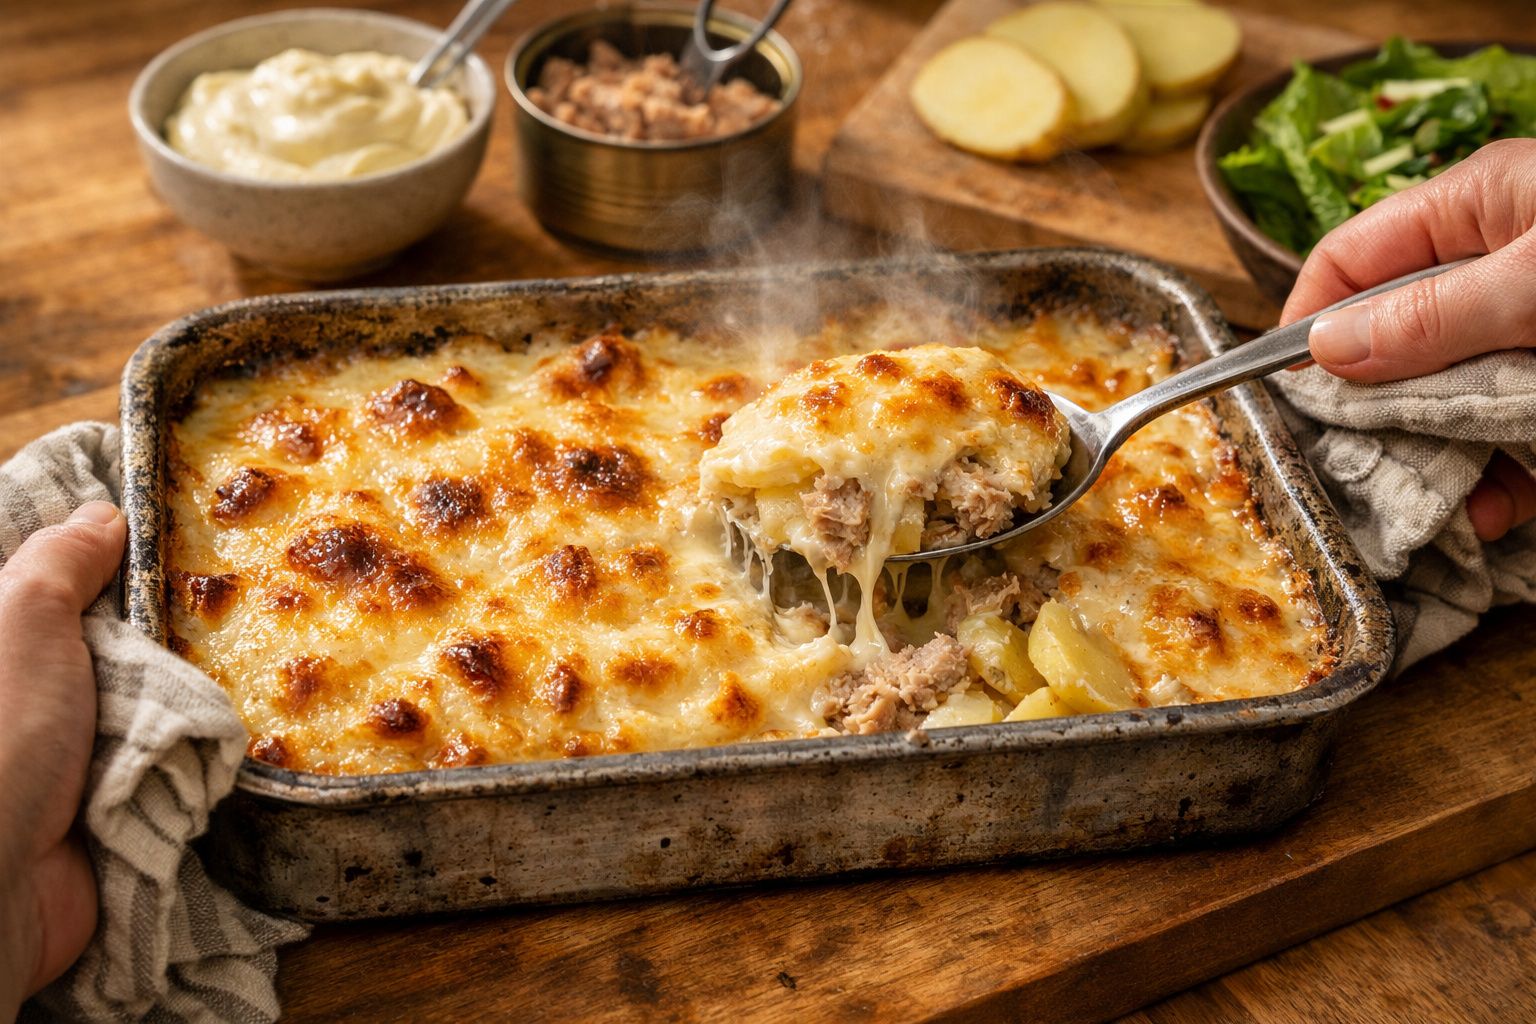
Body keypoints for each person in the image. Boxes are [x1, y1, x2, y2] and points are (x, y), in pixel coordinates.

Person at [0, 140, 1533, 1021]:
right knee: (485, 492)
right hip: (381, 703)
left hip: (1203, 606)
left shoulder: (1126, 387)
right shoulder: (238, 434)